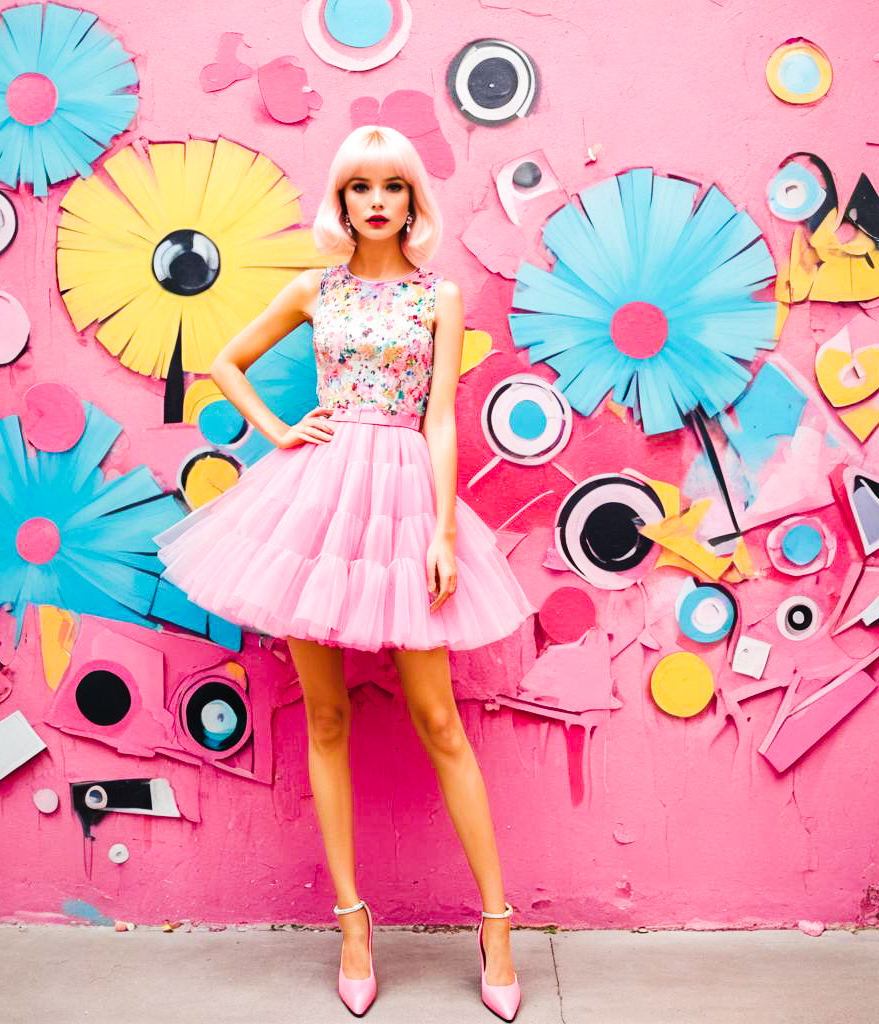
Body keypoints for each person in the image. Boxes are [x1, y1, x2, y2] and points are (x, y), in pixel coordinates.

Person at [153, 124, 535, 1020]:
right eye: (358, 185)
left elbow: (440, 418)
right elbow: (223, 362)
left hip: (405, 498)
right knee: (325, 716)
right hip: (315, 501)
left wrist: (442, 532)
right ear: (341, 199)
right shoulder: (313, 288)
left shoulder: (440, 295)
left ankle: (498, 922)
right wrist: (278, 430)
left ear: (411, 201)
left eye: (391, 186)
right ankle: (353, 922)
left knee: (439, 719)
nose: (374, 200)